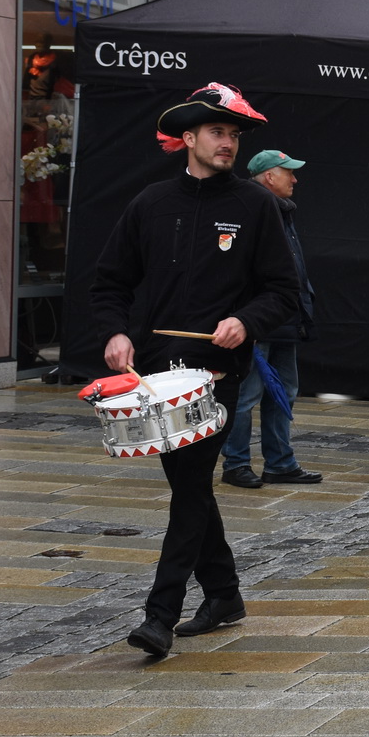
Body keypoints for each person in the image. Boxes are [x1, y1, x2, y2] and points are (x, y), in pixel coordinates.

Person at [90, 84, 300, 657]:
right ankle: (225, 594)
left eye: (234, 134)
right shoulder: (150, 203)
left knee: (189, 489)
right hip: (156, 374)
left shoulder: (256, 206)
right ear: (189, 138)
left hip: (218, 372)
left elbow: (283, 291)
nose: (228, 142)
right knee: (189, 487)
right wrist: (114, 332)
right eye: (217, 132)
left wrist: (245, 319)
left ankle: (160, 615)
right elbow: (110, 282)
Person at [220, 150, 323, 490]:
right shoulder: (252, 208)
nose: (294, 179)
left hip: (283, 318)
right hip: (259, 320)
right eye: (287, 172)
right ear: (268, 177)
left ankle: (280, 463)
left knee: (282, 393)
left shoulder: (281, 210)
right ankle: (236, 464)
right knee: (247, 395)